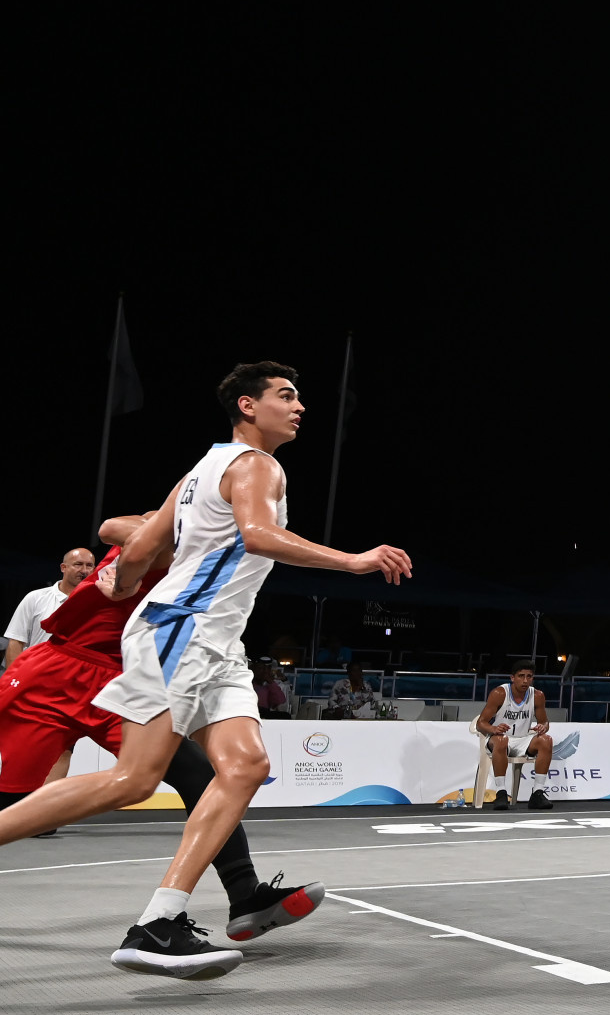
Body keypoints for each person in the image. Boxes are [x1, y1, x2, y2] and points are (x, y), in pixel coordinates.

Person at [0, 362, 410, 980]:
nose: (299, 407)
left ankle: (163, 920)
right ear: (248, 406)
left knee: (246, 765)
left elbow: (137, 546)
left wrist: (127, 579)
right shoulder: (256, 465)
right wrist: (353, 561)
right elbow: (257, 536)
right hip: (182, 631)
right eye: (286, 396)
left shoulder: (202, 470)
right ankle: (160, 925)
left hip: (213, 640)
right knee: (133, 781)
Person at [0, 521, 323, 939]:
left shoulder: (222, 557)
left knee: (196, 774)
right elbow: (114, 526)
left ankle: (245, 894)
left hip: (119, 677)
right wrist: (139, 550)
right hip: (57, 672)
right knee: (16, 799)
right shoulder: (193, 518)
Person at [3, 547, 97, 673]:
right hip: (34, 674)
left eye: (89, 565)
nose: (84, 570)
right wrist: (12, 680)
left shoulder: (97, 603)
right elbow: (16, 641)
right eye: (78, 564)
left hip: (74, 679)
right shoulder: (35, 598)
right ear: (63, 568)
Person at [475, 661, 554, 809]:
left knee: (546, 740)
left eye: (529, 676)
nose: (525, 680)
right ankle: (501, 793)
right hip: (499, 739)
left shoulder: (537, 695)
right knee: (502, 740)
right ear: (512, 678)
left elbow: (545, 722)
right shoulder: (499, 693)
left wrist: (542, 727)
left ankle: (537, 793)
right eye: (521, 676)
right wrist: (494, 729)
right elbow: (481, 723)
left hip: (524, 739)